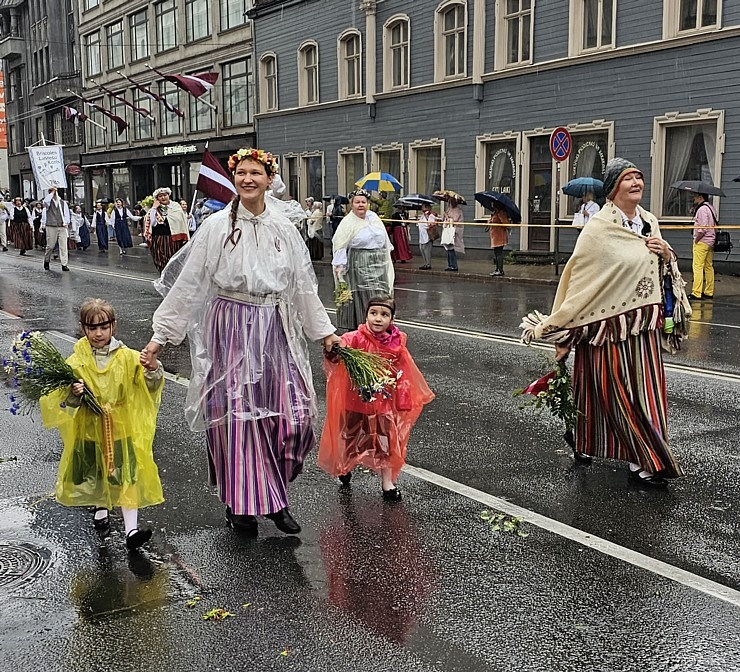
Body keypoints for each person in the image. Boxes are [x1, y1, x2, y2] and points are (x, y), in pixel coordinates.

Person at [140, 146, 341, 536]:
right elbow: (190, 284)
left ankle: (271, 489)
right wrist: (159, 338)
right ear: (234, 179)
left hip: (275, 327)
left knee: (293, 416)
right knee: (237, 420)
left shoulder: (284, 229)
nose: (248, 179)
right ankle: (250, 503)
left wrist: (325, 333)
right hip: (230, 325)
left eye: (256, 173)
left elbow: (302, 288)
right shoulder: (216, 226)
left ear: (269, 179)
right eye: (242, 173)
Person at [521, 158, 691, 488]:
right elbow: (580, 280)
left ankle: (635, 456)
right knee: (613, 395)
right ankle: (634, 454)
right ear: (613, 188)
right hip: (604, 330)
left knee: (647, 396)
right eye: (629, 179)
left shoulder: (650, 222)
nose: (637, 183)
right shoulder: (598, 230)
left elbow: (662, 272)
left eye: (639, 178)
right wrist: (566, 330)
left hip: (642, 329)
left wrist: (667, 254)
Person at [40, 298, 165, 550]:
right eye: (92, 328)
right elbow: (62, 403)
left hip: (120, 429)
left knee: (125, 476)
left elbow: (148, 387)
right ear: (83, 328)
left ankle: (131, 531)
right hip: (89, 431)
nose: (98, 333)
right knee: (96, 475)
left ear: (113, 326)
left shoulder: (128, 358)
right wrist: (74, 394)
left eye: (103, 327)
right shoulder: (75, 363)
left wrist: (153, 370)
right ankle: (100, 507)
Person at [318, 296, 434, 500]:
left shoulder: (397, 344)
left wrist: (403, 399)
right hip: (355, 402)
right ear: (366, 315)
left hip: (383, 405)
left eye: (384, 314)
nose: (378, 319)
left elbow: (404, 372)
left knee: (386, 443)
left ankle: (387, 483)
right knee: (350, 438)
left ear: (392, 319)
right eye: (373, 313)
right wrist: (333, 349)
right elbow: (338, 353)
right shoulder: (355, 338)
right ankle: (345, 468)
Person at [332, 188, 394, 331]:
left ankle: (381, 326)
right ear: (351, 204)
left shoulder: (374, 218)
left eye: (364, 202)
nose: (361, 205)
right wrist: (340, 266)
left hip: (379, 262)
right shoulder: (348, 222)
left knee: (381, 294)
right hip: (359, 263)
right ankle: (362, 327)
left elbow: (385, 241)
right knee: (365, 295)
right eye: (357, 202)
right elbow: (341, 244)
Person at [144, 187, 190, 272]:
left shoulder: (176, 207)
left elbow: (182, 223)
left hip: (174, 239)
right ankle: (164, 278)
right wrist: (154, 208)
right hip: (159, 239)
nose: (163, 198)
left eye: (165, 195)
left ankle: (171, 279)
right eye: (160, 196)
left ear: (168, 195)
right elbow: (153, 223)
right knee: (161, 260)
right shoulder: (154, 210)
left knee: (173, 260)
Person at [690, 192, 717, 301]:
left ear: (700, 197)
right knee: (708, 266)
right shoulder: (711, 208)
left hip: (702, 241)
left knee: (697, 266)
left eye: (695, 196)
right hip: (711, 240)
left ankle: (696, 292)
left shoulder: (702, 210)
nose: (694, 198)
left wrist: (696, 240)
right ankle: (709, 291)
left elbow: (702, 228)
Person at [41, 187, 71, 272]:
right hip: (51, 225)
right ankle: (47, 260)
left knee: (63, 246)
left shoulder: (63, 203)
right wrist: (52, 192)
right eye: (51, 192)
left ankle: (64, 264)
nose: (54, 193)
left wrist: (66, 222)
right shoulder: (48, 202)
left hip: (61, 226)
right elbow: (45, 202)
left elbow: (66, 214)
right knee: (50, 246)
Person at [442, 197, 464, 272]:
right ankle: (450, 264)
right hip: (448, 229)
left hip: (454, 230)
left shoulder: (457, 210)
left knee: (451, 248)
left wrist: (447, 216)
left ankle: (454, 265)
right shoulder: (449, 209)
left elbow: (454, 219)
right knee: (448, 248)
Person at [488, 205, 511, 277]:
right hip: (495, 236)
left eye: (493, 204)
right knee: (496, 252)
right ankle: (497, 269)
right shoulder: (495, 213)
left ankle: (500, 270)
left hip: (499, 236)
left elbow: (506, 224)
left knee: (499, 253)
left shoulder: (500, 213)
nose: (491, 205)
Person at [416, 203, 439, 270]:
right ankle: (425, 263)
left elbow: (432, 223)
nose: (422, 208)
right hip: (422, 235)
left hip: (428, 235)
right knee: (422, 249)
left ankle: (428, 264)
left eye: (423, 207)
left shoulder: (431, 215)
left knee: (427, 250)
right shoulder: (422, 216)